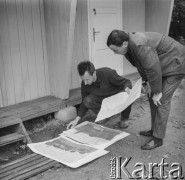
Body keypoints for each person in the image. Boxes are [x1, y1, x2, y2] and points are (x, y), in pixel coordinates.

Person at [107, 30, 185, 150]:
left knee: (161, 101)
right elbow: (142, 65)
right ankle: (154, 130)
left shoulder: (139, 45)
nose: (114, 53)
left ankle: (158, 139)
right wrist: (146, 83)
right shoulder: (128, 48)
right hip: (162, 65)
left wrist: (158, 92)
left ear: (124, 44)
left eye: (115, 50)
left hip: (176, 64)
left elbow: (152, 67)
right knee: (151, 95)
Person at [67, 61, 132, 130]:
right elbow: (84, 102)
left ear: (94, 73)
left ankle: (124, 118)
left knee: (127, 94)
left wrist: (127, 88)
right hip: (104, 99)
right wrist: (76, 120)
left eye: (87, 79)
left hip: (116, 96)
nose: (85, 83)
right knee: (87, 101)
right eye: (83, 80)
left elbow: (126, 82)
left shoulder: (108, 73)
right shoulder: (84, 84)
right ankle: (104, 115)